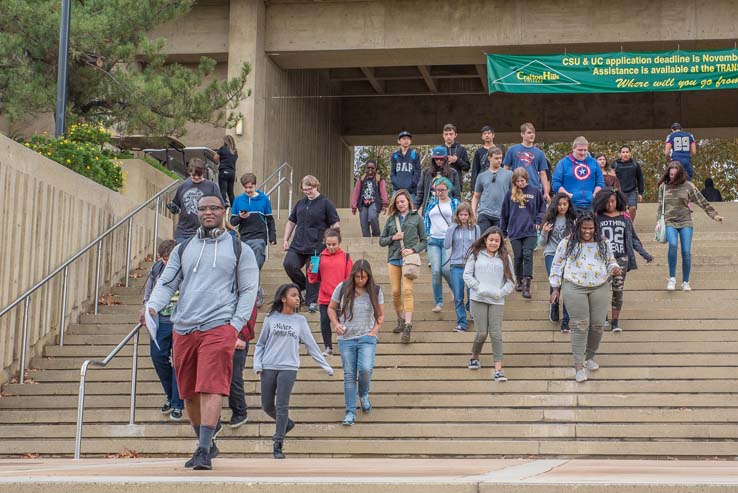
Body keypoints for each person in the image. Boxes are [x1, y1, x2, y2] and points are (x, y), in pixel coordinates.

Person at [144, 193, 259, 470]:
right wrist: (152, 307)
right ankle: (205, 441)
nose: (208, 212)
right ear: (197, 212)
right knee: (188, 393)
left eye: (214, 208)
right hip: (184, 327)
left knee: (211, 386)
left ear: (223, 211)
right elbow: (167, 283)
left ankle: (204, 450)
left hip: (219, 325)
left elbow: (248, 291)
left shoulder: (239, 249)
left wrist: (234, 326)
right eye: (203, 208)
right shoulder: (184, 248)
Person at [253, 284, 333, 459]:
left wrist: (325, 365)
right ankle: (286, 424)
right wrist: (257, 364)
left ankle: (278, 443)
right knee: (267, 406)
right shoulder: (271, 318)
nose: (298, 298)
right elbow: (260, 344)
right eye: (294, 295)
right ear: (283, 298)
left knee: (282, 405)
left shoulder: (300, 321)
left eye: (298, 296)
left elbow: (311, 345)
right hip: (269, 366)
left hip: (289, 367)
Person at [549, 212, 622, 383]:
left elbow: (610, 261)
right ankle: (579, 365)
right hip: (574, 286)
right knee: (580, 325)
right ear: (578, 227)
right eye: (584, 228)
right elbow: (557, 264)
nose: (587, 232)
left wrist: (615, 268)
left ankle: (590, 357)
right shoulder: (567, 242)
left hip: (600, 285)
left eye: (591, 228)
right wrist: (555, 288)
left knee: (597, 324)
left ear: (596, 227)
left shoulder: (603, 242)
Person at [327, 260, 384, 426]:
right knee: (349, 375)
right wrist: (336, 324)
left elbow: (380, 315)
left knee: (365, 369)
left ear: (369, 276)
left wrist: (374, 331)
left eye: (364, 277)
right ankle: (350, 412)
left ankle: (364, 393)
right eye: (358, 277)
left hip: (367, 336)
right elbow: (331, 308)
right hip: (346, 337)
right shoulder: (343, 287)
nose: (360, 280)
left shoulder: (376, 290)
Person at [593, 188, 653, 332]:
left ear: (617, 200)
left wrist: (644, 253)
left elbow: (633, 238)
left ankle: (615, 322)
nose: (610, 205)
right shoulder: (597, 217)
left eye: (612, 201)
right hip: (602, 260)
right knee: (602, 290)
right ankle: (604, 318)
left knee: (618, 290)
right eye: (607, 202)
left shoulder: (625, 217)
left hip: (622, 259)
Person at [657, 162, 724, 291]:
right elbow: (660, 206)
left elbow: (702, 201)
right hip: (669, 221)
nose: (672, 177)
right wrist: (658, 222)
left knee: (686, 251)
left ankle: (685, 282)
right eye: (670, 174)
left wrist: (715, 215)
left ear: (680, 174)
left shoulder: (689, 186)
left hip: (685, 221)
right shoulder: (663, 187)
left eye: (674, 175)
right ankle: (672, 279)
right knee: (673, 245)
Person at [463, 226, 516, 381]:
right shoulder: (476, 254)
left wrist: (500, 293)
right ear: (485, 239)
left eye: (497, 240)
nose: (494, 243)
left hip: (497, 301)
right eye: (491, 240)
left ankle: (498, 369)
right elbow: (467, 275)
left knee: (496, 333)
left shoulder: (505, 257)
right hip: (478, 299)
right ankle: (474, 356)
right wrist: (479, 288)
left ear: (501, 242)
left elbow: (511, 281)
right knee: (482, 332)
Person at [282, 175, 340, 313]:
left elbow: (335, 224)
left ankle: (312, 301)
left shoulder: (326, 203)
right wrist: (285, 239)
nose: (307, 192)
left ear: (316, 186)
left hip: (316, 246)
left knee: (312, 271)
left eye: (310, 189)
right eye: (304, 189)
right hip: (298, 244)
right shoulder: (300, 203)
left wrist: (332, 241)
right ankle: (303, 288)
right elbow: (291, 222)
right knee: (289, 264)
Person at [143, 239, 184, 421]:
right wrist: (148, 308)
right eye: (163, 259)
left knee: (179, 361)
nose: (166, 262)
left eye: (168, 258)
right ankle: (170, 395)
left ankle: (177, 403)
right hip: (162, 321)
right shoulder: (157, 269)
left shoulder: (186, 268)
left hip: (181, 321)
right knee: (158, 357)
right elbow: (148, 292)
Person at [379, 190, 427, 344]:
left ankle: (407, 325)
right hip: (393, 258)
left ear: (408, 201)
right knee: (395, 292)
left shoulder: (416, 217)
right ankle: (400, 319)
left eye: (403, 202)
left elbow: (424, 241)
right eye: (398, 202)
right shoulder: (391, 219)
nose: (400, 204)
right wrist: (393, 237)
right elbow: (381, 240)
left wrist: (413, 249)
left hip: (409, 259)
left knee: (407, 290)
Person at [231, 172, 277, 307]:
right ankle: (245, 291)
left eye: (250, 187)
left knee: (255, 264)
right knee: (242, 265)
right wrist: (240, 217)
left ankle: (255, 291)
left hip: (259, 237)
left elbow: (270, 219)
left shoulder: (264, 199)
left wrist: (272, 236)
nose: (248, 190)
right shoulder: (238, 200)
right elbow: (232, 222)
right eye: (245, 188)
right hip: (243, 237)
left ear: (255, 186)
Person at [500, 168, 546, 299]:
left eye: (522, 180)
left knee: (527, 255)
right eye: (518, 181)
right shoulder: (510, 194)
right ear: (514, 181)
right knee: (518, 256)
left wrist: (538, 220)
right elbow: (504, 214)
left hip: (530, 230)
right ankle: (518, 280)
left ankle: (527, 285)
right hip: (515, 230)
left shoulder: (535, 191)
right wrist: (503, 231)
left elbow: (542, 209)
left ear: (527, 179)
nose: (520, 183)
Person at [307, 229, 353, 356]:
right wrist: (311, 270)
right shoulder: (320, 257)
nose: (331, 247)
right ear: (325, 243)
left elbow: (350, 278)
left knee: (343, 322)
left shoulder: (346, 257)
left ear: (339, 243)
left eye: (334, 244)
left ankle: (345, 345)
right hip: (325, 297)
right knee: (324, 322)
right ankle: (328, 347)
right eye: (329, 244)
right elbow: (313, 279)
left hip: (342, 297)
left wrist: (348, 295)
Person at [539, 193, 576, 332]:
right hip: (551, 254)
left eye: (565, 204)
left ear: (568, 205)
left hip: (567, 256)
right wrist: (543, 231)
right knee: (554, 281)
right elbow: (542, 243)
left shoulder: (572, 220)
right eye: (559, 204)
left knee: (567, 284)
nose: (562, 207)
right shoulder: (549, 219)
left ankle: (566, 319)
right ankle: (554, 305)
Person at [423, 176, 459, 313]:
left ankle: (454, 289)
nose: (440, 192)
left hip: (448, 240)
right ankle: (438, 302)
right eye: (437, 190)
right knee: (436, 271)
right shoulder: (432, 204)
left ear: (448, 189)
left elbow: (460, 220)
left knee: (445, 269)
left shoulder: (454, 203)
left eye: (443, 190)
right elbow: (426, 219)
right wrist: (426, 235)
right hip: (433, 240)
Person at [167, 158, 224, 243]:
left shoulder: (211, 186)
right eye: (194, 175)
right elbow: (176, 206)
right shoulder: (183, 186)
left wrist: (221, 229)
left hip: (205, 232)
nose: (197, 178)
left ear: (203, 173)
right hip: (183, 232)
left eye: (199, 175)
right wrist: (173, 207)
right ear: (189, 172)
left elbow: (221, 208)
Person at [445, 202, 480, 332]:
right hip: (456, 266)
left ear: (470, 215)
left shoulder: (476, 229)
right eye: (461, 215)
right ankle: (462, 322)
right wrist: (451, 228)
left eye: (466, 214)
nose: (464, 217)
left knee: (472, 293)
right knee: (458, 296)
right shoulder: (453, 228)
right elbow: (447, 245)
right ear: (457, 215)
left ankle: (470, 308)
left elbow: (478, 247)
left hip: (471, 266)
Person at [551, 136, 605, 212]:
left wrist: (594, 195)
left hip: (591, 205)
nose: (583, 153)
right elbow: (555, 183)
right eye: (580, 150)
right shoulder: (563, 163)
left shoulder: (594, 162)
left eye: (585, 150)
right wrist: (568, 196)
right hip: (570, 205)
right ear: (573, 148)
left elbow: (600, 182)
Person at [227, 301, 258, 429]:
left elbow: (249, 312)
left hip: (237, 338)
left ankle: (240, 411)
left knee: (234, 377)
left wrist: (242, 336)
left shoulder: (244, 286)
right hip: (216, 336)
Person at [503, 123, 550, 201]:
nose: (532, 135)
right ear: (522, 134)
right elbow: (505, 169)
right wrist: (505, 187)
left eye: (533, 133)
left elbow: (543, 173)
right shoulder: (512, 150)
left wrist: (546, 192)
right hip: (516, 188)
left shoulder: (540, 153)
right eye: (529, 133)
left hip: (534, 188)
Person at [472, 146, 512, 234]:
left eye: (501, 158)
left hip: (501, 214)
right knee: (482, 240)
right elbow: (476, 196)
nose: (499, 160)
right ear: (489, 158)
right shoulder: (481, 176)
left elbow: (514, 194)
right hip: (484, 212)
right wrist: (473, 212)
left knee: (499, 242)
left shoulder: (509, 174)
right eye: (496, 158)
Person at [415, 146, 462, 214]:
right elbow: (420, 193)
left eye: (441, 159)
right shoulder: (426, 172)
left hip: (448, 208)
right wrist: (415, 208)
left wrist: (458, 210)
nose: (438, 161)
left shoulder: (453, 173)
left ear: (445, 159)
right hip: (430, 207)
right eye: (436, 159)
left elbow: (457, 194)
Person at [351, 160, 389, 237]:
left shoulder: (379, 179)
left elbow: (383, 192)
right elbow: (356, 192)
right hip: (363, 204)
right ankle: (366, 240)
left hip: (374, 202)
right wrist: (354, 205)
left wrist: (384, 204)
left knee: (372, 217)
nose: (370, 170)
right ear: (366, 169)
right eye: (368, 168)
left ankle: (376, 235)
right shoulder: (361, 179)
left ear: (376, 169)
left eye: (372, 168)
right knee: (364, 223)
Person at [613, 145, 645, 221]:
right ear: (620, 154)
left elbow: (640, 178)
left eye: (627, 152)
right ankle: (623, 225)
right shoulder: (614, 165)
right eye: (623, 152)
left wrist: (640, 193)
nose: (625, 154)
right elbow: (611, 179)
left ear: (630, 154)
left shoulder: (635, 165)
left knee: (633, 208)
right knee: (621, 211)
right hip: (619, 192)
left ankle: (629, 225)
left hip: (632, 191)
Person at [471, 126, 505, 191]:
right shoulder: (479, 151)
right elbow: (475, 169)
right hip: (484, 180)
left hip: (498, 179)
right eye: (484, 134)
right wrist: (473, 187)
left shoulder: (500, 149)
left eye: (489, 133)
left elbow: (504, 165)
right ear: (482, 137)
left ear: (493, 135)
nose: (487, 135)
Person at [390, 131, 422, 201]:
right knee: (395, 211)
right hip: (397, 190)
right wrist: (396, 183)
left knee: (411, 211)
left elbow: (418, 172)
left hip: (411, 192)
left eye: (408, 139)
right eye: (403, 138)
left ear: (410, 141)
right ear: (399, 141)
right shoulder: (395, 155)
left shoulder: (414, 154)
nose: (406, 141)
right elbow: (392, 173)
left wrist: (411, 184)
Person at [213, 135, 238, 207]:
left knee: (223, 190)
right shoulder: (235, 151)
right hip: (232, 172)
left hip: (224, 171)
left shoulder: (222, 149)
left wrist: (218, 163)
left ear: (225, 141)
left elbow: (215, 158)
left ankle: (222, 206)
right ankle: (234, 207)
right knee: (230, 192)